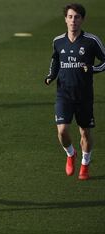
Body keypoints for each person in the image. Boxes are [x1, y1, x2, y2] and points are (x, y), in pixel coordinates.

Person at [45, 3, 105, 180]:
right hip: (63, 94)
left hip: (84, 96)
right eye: (70, 17)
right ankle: (71, 154)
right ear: (65, 19)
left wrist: (92, 68)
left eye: (77, 17)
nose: (73, 21)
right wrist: (51, 76)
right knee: (62, 130)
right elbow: (55, 60)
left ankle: (85, 165)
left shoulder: (91, 41)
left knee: (85, 133)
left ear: (82, 20)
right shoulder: (58, 41)